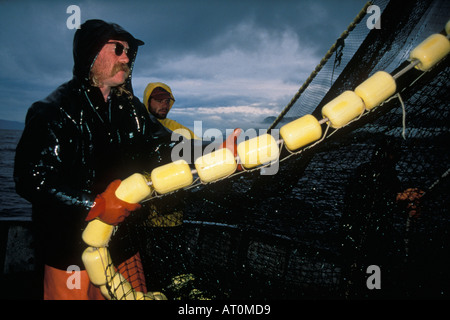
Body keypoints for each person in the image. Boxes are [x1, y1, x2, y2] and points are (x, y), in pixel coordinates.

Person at [14, 19, 177, 300]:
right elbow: (32, 179)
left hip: (123, 243)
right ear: (91, 52)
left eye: (128, 51)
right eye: (117, 49)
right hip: (69, 252)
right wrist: (96, 206)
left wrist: (221, 153)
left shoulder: (132, 110)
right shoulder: (52, 112)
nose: (126, 57)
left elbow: (166, 147)